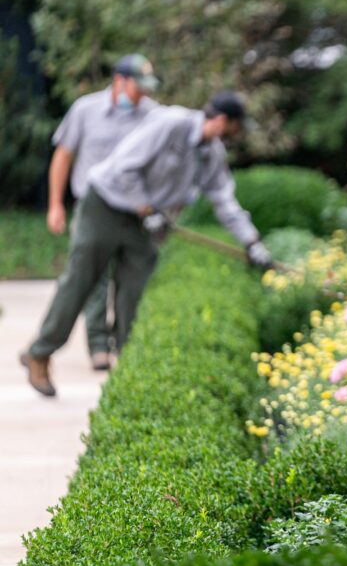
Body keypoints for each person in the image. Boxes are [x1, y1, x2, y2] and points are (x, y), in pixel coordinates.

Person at [20, 91, 273, 397]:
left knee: (135, 292)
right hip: (106, 206)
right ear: (222, 121)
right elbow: (124, 167)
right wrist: (147, 208)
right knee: (81, 282)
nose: (239, 134)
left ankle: (128, 370)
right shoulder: (171, 123)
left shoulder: (211, 153)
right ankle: (40, 352)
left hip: (145, 222)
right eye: (237, 127)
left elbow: (224, 200)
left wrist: (252, 242)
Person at [46, 53, 160, 371]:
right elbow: (63, 157)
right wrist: (55, 204)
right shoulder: (85, 110)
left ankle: (124, 344)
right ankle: (98, 345)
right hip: (93, 207)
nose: (143, 95)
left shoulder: (153, 116)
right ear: (119, 81)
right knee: (92, 278)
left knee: (131, 280)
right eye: (139, 87)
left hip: (134, 210)